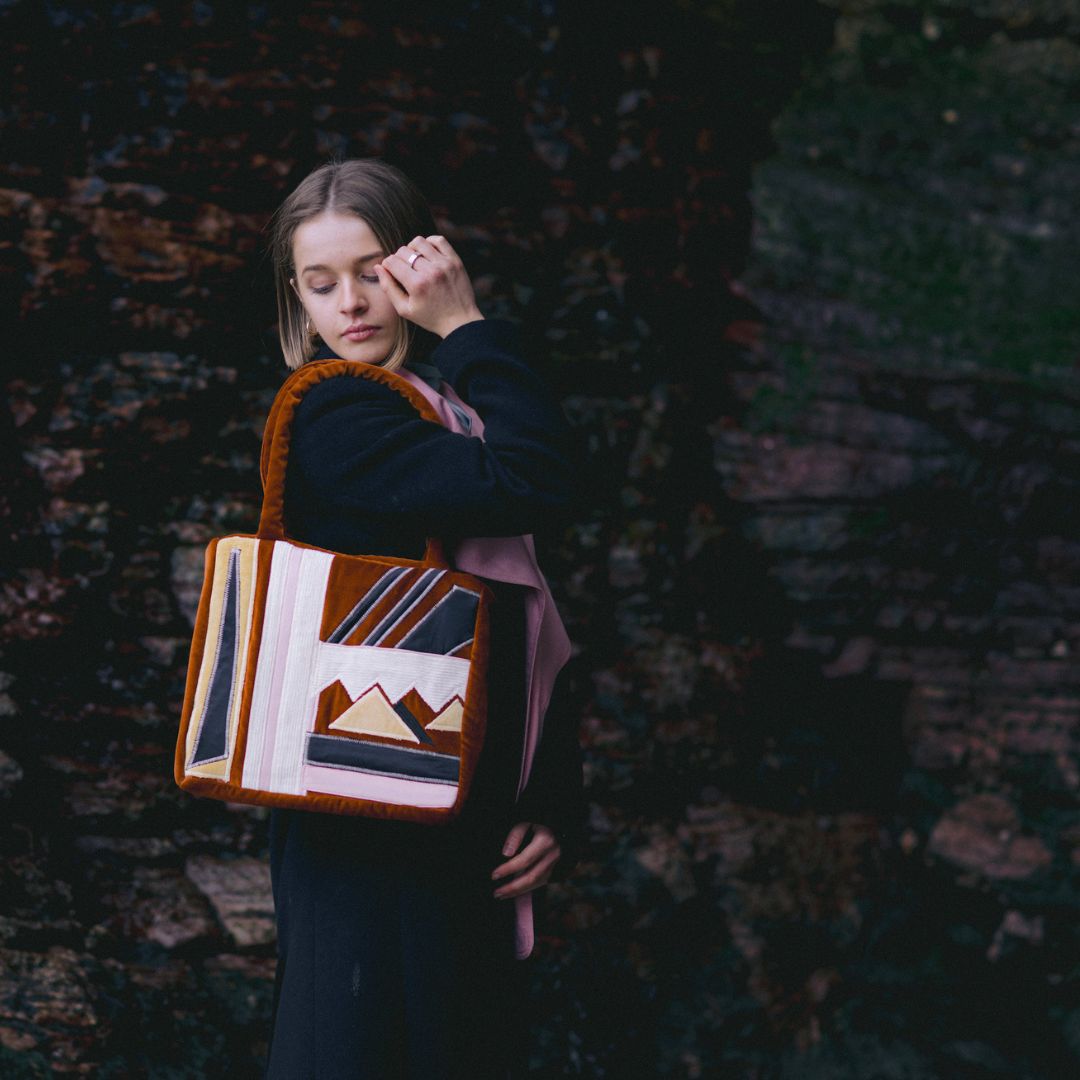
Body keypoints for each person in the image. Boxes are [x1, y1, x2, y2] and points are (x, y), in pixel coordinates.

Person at [260, 157, 586, 1079]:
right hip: (365, 825)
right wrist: (468, 323)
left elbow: (521, 629)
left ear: (416, 264)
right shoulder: (339, 415)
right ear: (297, 300)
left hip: (453, 821)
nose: (352, 303)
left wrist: (549, 804)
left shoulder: (450, 412)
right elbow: (538, 479)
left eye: (372, 271)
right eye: (321, 283)